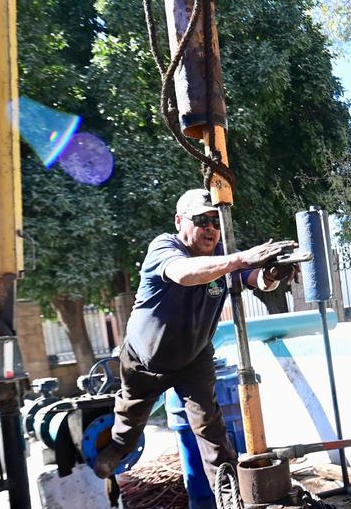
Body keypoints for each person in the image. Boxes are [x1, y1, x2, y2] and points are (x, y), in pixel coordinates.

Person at [91, 188, 295, 491]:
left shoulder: (223, 255)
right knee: (129, 426)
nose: (210, 229)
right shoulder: (165, 247)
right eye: (202, 220)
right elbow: (185, 274)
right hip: (144, 362)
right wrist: (238, 260)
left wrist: (274, 273)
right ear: (179, 221)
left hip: (194, 359)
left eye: (215, 221)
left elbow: (257, 280)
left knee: (212, 433)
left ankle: (231, 501)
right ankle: (113, 455)